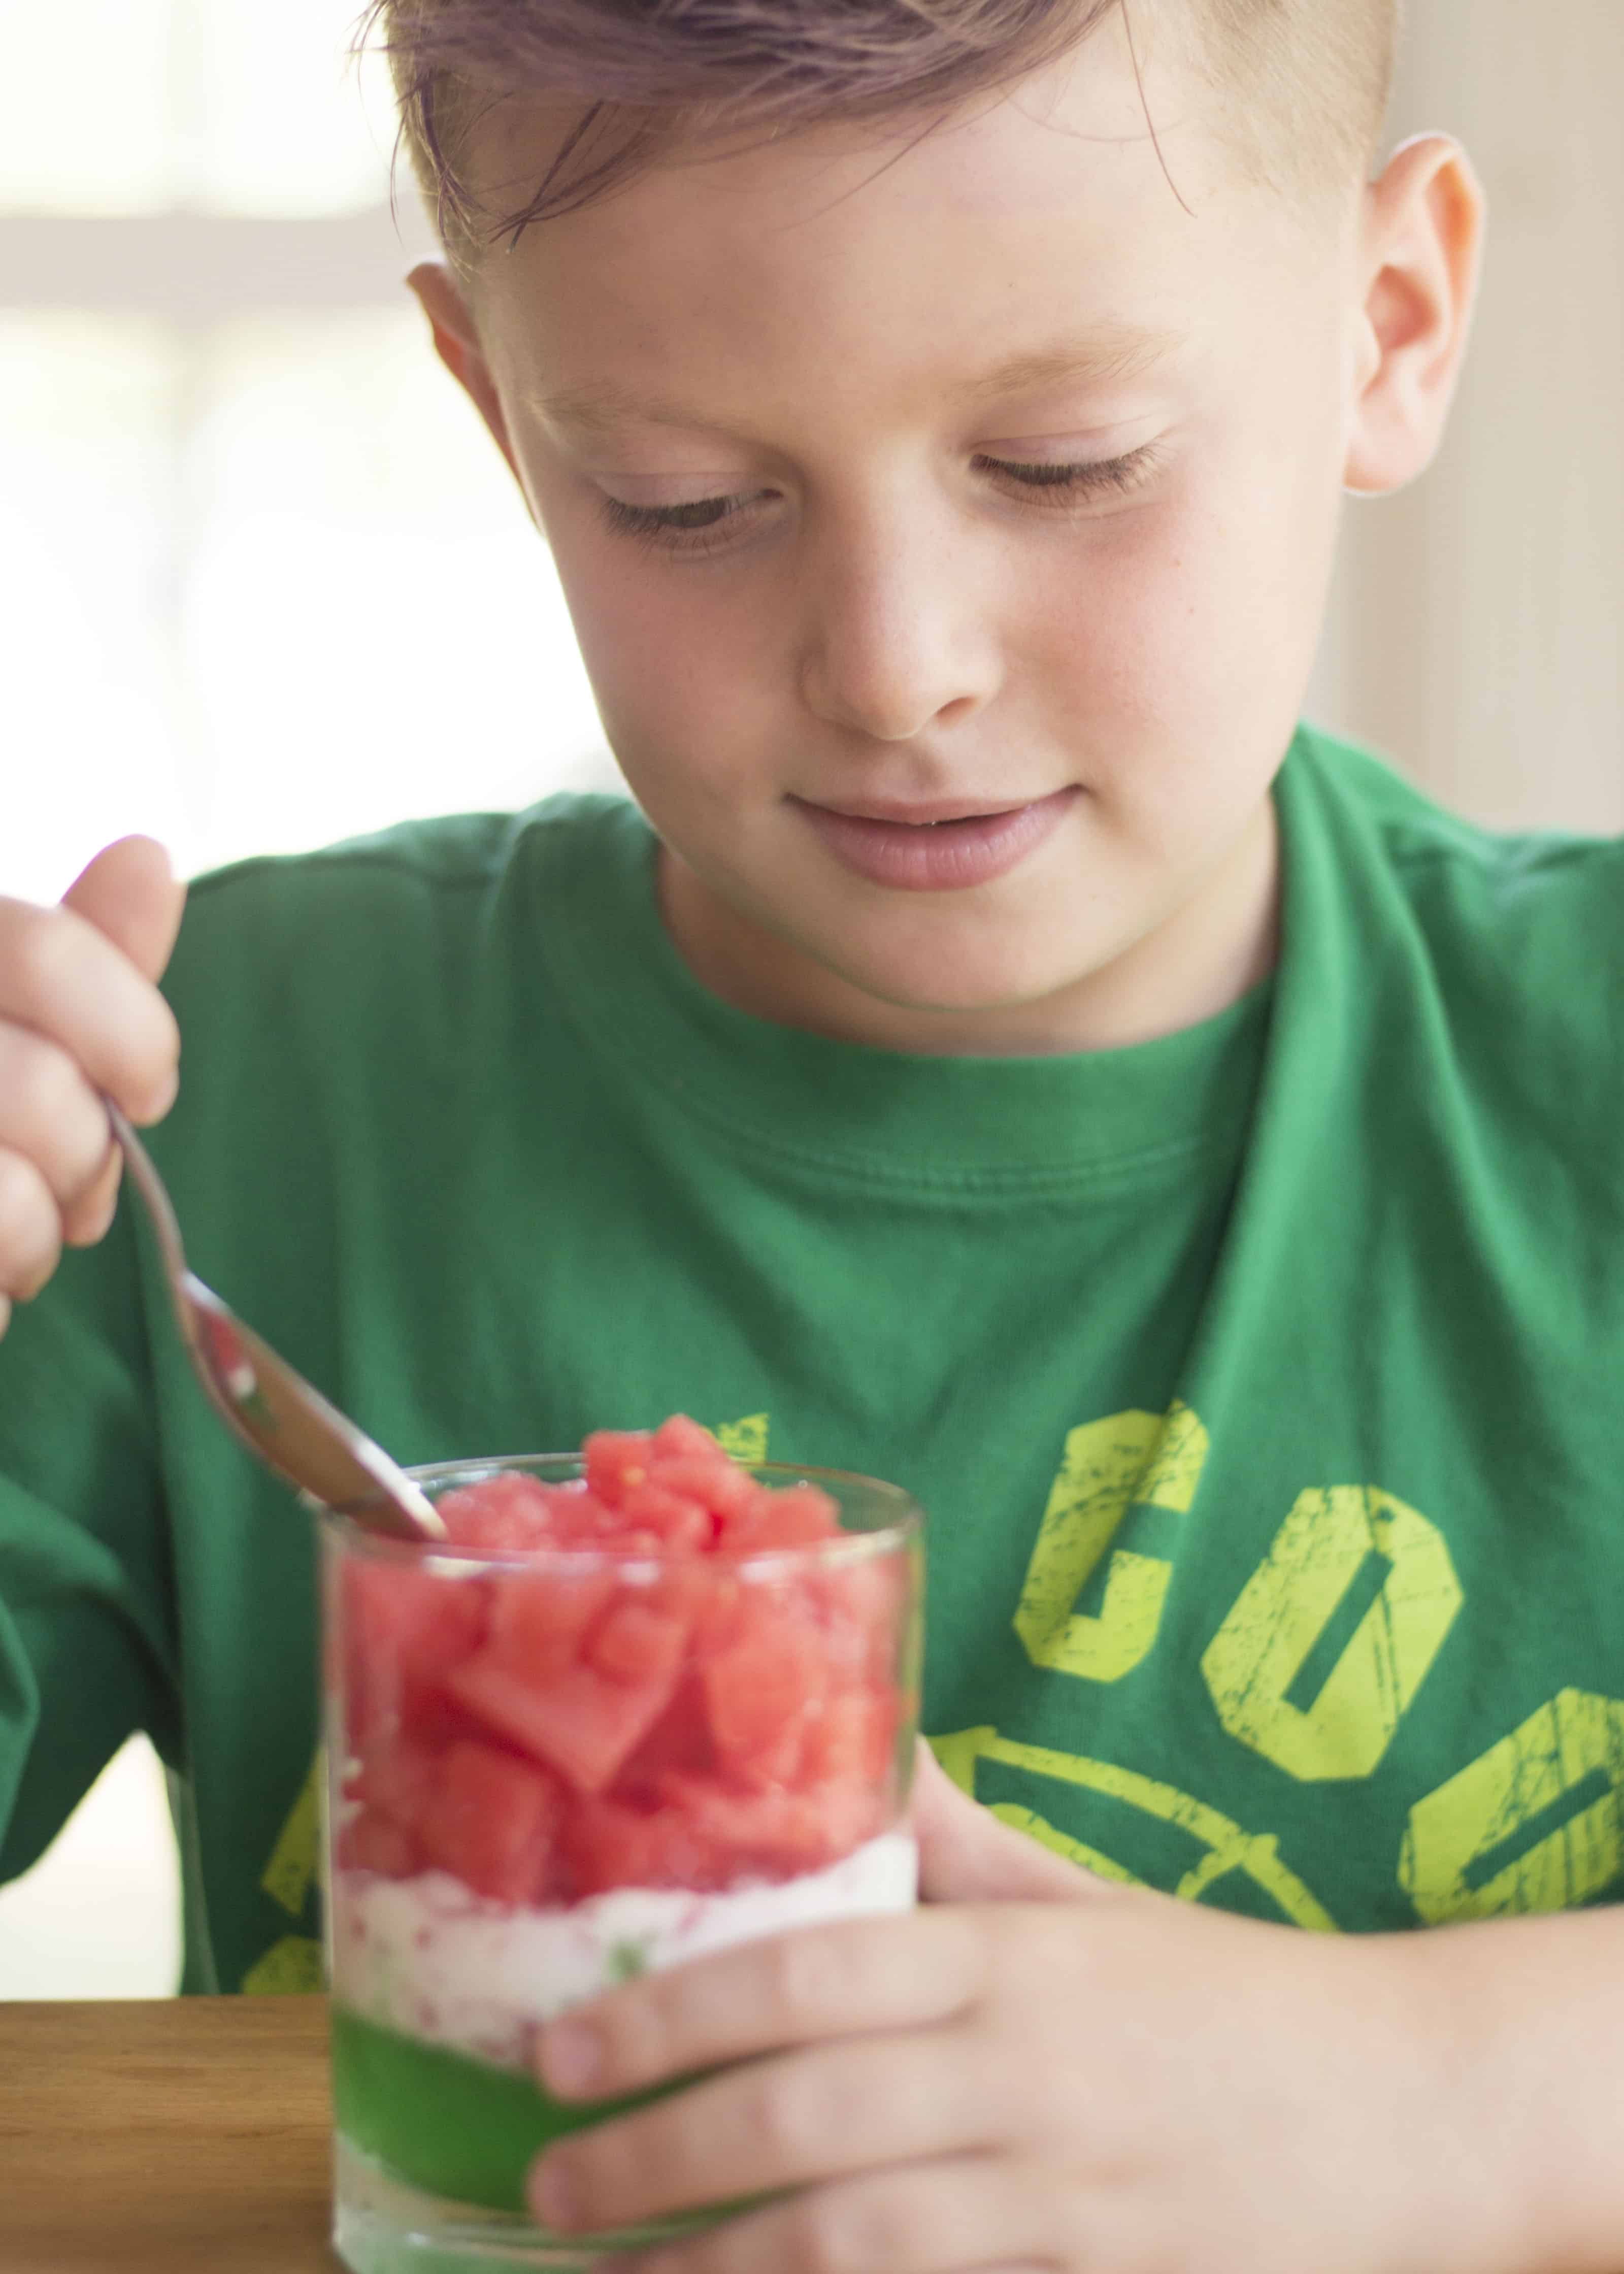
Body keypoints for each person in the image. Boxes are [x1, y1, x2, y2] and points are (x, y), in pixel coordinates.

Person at [3, 0, 1622, 2263]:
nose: (892, 664)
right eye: (686, 498)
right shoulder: (196, 1102)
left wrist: (1437, 2104)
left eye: (1059, 462)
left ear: (1384, 330)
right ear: (497, 409)